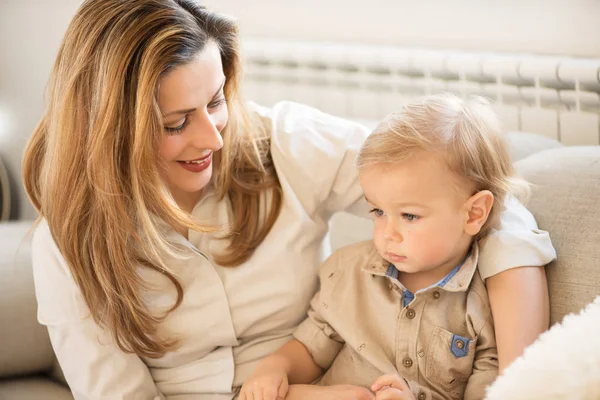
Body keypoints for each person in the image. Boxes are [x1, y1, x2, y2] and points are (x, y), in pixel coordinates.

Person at [22, 0, 555, 399]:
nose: (212, 138)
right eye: (175, 123)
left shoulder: (288, 144)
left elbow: (471, 197)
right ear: (110, 131)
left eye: (215, 101)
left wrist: (520, 381)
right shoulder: (69, 242)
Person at [240, 94, 523, 400]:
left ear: (474, 213)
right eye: (377, 211)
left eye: (409, 216)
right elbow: (311, 347)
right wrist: (275, 367)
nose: (388, 234)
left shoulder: (489, 304)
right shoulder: (349, 272)